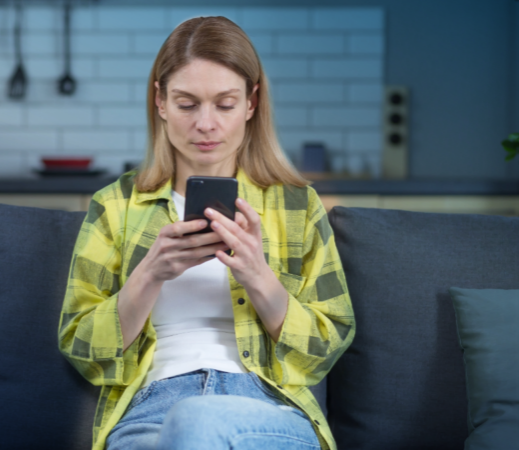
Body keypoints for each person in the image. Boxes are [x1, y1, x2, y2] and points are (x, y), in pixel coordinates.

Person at [58, 16, 355, 450]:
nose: (206, 124)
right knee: (188, 428)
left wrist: (258, 276)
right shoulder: (115, 205)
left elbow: (326, 348)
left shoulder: (296, 205)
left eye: (225, 104)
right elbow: (82, 347)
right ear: (160, 102)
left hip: (265, 407)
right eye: (187, 103)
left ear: (252, 103)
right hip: (152, 412)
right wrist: (150, 273)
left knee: (199, 424)